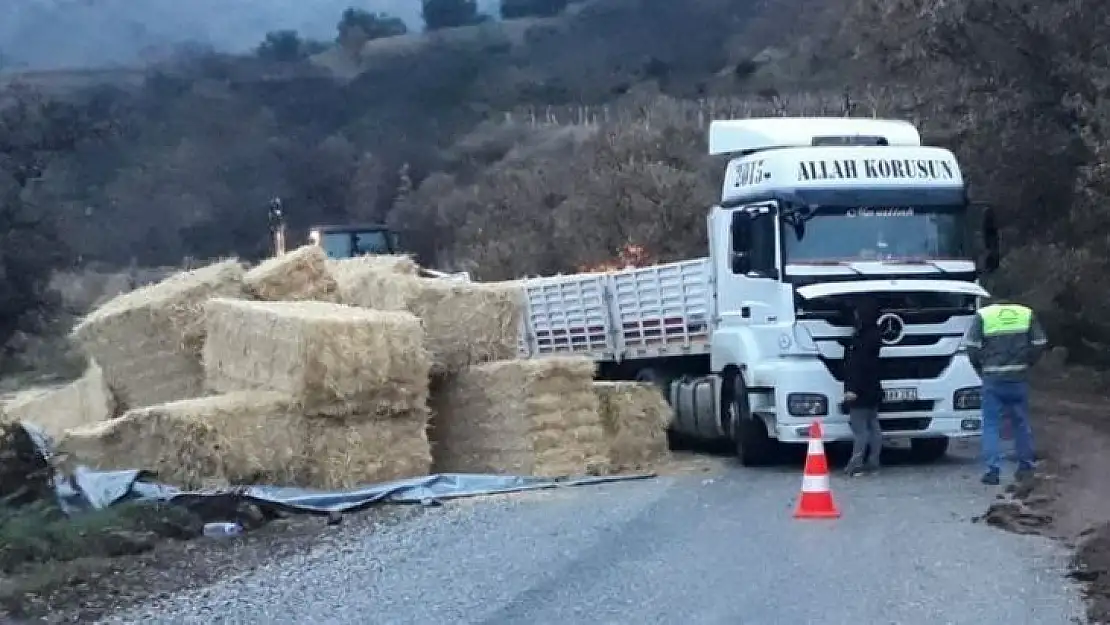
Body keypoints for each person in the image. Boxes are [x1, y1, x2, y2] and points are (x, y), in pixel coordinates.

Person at [962, 301, 1048, 485]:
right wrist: (1028, 362)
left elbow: (971, 347)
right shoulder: (1026, 313)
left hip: (993, 378)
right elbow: (1040, 342)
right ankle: (1026, 467)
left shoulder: (984, 315)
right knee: (1021, 423)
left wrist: (981, 368)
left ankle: (993, 470)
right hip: (1018, 377)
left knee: (992, 425)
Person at [843, 297, 884, 476]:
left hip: (859, 390)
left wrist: (852, 389)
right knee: (873, 424)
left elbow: (856, 367)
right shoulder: (875, 335)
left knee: (860, 428)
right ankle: (874, 459)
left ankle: (856, 462)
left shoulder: (860, 340)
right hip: (873, 388)